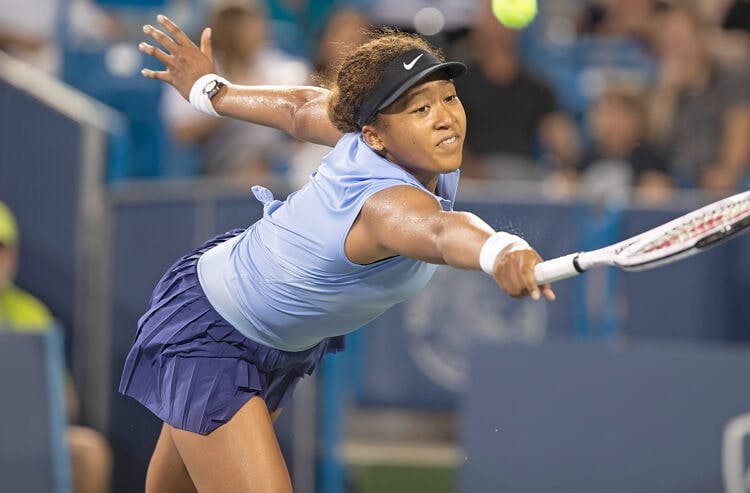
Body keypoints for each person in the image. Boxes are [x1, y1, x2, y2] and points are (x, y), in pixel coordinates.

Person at [126, 14, 556, 492]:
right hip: (213, 330)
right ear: (374, 135)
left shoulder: (406, 146)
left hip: (272, 337)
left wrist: (211, 89)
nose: (444, 117)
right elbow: (439, 231)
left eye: (449, 98)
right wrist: (500, 249)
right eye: (419, 109)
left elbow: (300, 106)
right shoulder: (386, 205)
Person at [0, 202, 112, 493]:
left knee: (89, 452)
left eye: (2, 249)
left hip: (25, 434)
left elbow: (64, 400)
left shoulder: (32, 313)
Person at [161, 0, 308, 181]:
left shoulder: (268, 61)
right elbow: (183, 130)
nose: (246, 30)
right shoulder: (201, 66)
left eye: (250, 22)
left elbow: (301, 86)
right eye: (234, 23)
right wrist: (225, 102)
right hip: (217, 160)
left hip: (273, 157)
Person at [454, 12, 579, 180]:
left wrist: (565, 160)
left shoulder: (536, 87)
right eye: (491, 25)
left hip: (523, 171)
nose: (497, 33)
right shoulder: (460, 84)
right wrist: (467, 165)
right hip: (471, 172)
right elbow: (449, 128)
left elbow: (557, 133)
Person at [647, 6, 750, 191]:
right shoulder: (663, 87)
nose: (675, 49)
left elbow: (740, 130)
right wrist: (666, 93)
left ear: (701, 38)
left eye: (679, 40)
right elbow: (655, 141)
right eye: (669, 41)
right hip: (677, 178)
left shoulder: (732, 80)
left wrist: (728, 171)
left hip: (718, 177)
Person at [577, 85, 672, 204]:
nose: (611, 123)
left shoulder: (650, 159)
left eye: (618, 115)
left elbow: (659, 196)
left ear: (638, 119)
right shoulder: (586, 157)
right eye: (605, 114)